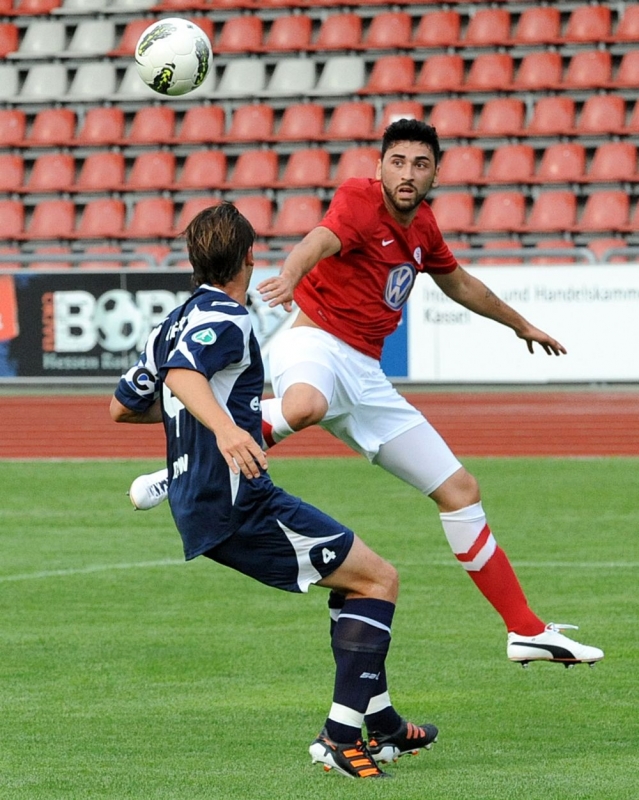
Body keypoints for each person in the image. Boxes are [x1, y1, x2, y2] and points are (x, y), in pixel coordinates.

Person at [129, 120, 603, 668]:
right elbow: (319, 241)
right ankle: (195, 461)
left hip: (367, 377)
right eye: (397, 162)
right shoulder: (357, 198)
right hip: (315, 341)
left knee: (460, 490)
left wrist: (520, 325)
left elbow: (462, 284)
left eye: (420, 165)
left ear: (435, 174)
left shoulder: (423, 227)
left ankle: (524, 630)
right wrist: (288, 274)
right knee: (307, 404)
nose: (407, 173)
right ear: (379, 167)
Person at [110, 202, 438, 780]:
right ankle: (338, 738)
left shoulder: (170, 322)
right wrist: (227, 428)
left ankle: (382, 724)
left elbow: (125, 405)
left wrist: (204, 421)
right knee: (379, 579)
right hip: (237, 504)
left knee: (353, 578)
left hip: (205, 501)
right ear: (249, 257)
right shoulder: (228, 318)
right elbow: (184, 377)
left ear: (192, 261)